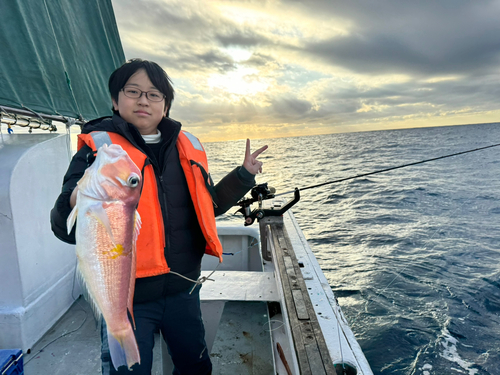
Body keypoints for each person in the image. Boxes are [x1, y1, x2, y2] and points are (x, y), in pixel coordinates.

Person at [50, 58, 267, 375]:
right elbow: (62, 227)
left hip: (184, 290)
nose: (143, 100)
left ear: (166, 104)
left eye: (154, 94)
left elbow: (211, 206)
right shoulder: (97, 150)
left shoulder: (187, 147)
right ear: (115, 99)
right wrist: (80, 199)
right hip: (128, 297)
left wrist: (244, 176)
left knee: (196, 368)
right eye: (133, 91)